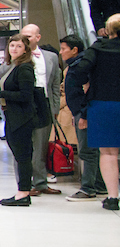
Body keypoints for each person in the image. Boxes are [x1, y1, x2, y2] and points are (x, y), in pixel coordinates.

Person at [65, 14, 120, 211]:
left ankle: (113, 197)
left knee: (108, 153)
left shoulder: (97, 48)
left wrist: (90, 83)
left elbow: (79, 72)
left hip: (103, 104)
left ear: (108, 30)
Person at [60, 34, 107, 201]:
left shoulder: (82, 66)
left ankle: (88, 188)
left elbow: (88, 90)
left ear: (74, 50)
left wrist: (83, 114)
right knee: (92, 149)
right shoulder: (76, 64)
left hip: (86, 112)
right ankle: (99, 185)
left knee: (87, 151)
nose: (61, 52)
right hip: (81, 111)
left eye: (64, 49)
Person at [19, 23, 62, 195]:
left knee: (41, 146)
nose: (25, 39)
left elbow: (55, 86)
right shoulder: (16, 55)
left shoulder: (51, 57)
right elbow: (3, 74)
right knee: (24, 147)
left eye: (29, 36)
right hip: (24, 104)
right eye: (23, 35)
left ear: (38, 37)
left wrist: (55, 108)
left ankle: (41, 183)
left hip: (44, 103)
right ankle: (25, 185)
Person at [0, 34, 38, 206]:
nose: (14, 49)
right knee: (21, 156)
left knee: (23, 156)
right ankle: (23, 191)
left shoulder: (24, 68)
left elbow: (26, 95)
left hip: (22, 118)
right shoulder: (15, 66)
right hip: (14, 117)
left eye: (19, 46)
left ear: (26, 49)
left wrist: (2, 94)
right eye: (12, 45)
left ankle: (23, 193)